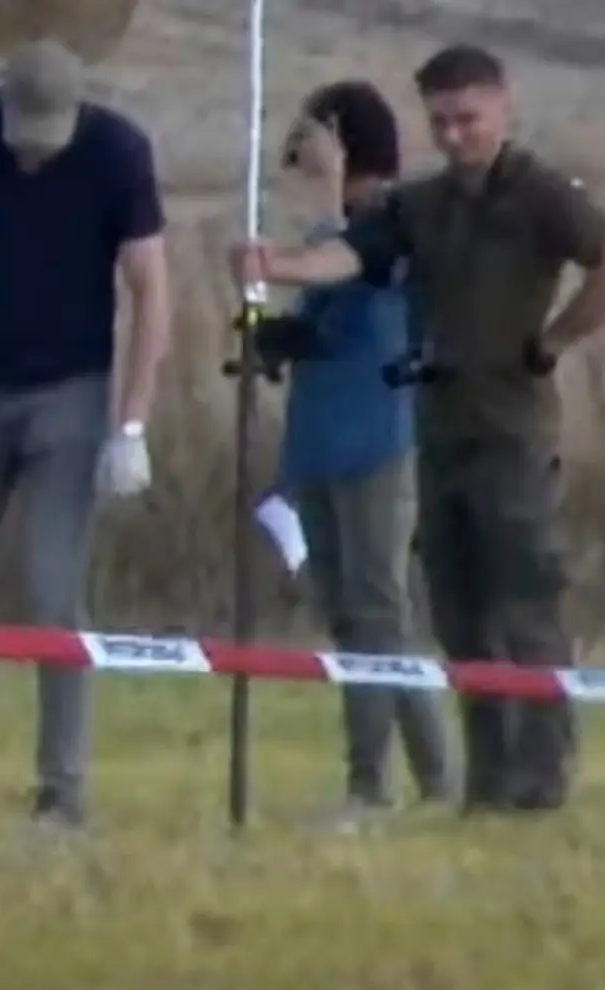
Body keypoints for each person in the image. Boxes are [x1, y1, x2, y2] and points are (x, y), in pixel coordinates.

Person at [231, 44, 605, 814]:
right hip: (437, 429)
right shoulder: (421, 206)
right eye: (440, 122)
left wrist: (556, 340)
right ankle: (487, 780)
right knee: (461, 616)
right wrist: (278, 265)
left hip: (512, 432)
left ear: (501, 106)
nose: (455, 135)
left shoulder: (541, 195)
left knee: (524, 606)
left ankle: (540, 780)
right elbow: (351, 254)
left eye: (468, 118)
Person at [0, 38, 171, 829]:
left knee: (55, 593)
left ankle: (63, 789)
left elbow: (151, 291)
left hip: (69, 396)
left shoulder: (118, 155)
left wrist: (131, 422)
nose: (29, 154)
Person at [254, 81, 452, 822]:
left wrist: (329, 194)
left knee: (378, 614)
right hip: (319, 440)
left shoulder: (392, 227)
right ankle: (437, 780)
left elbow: (362, 278)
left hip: (377, 441)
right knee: (354, 618)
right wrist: (280, 338)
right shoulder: (328, 233)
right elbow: (327, 318)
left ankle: (371, 787)